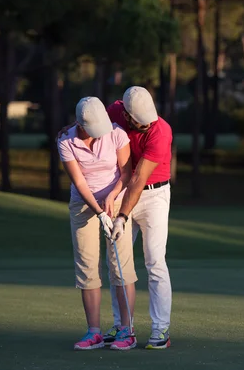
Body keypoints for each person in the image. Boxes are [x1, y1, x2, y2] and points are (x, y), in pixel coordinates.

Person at [57, 96, 138, 351]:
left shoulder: (116, 133)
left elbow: (126, 173)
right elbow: (79, 183)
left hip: (116, 199)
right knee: (87, 265)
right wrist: (98, 212)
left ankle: (127, 329)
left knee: (121, 265)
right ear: (80, 124)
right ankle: (94, 332)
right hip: (83, 205)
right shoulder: (66, 141)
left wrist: (112, 200)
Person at [107, 86, 173, 350]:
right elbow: (91, 120)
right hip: (124, 190)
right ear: (126, 114)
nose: (145, 126)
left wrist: (122, 215)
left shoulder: (160, 130)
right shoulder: (114, 110)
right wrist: (70, 128)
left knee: (154, 261)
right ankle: (123, 325)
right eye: (140, 123)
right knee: (117, 263)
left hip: (154, 196)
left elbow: (138, 178)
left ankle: (161, 330)